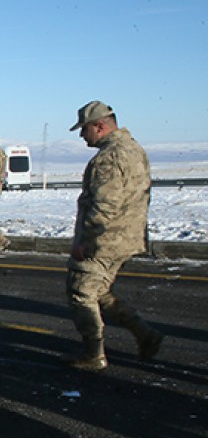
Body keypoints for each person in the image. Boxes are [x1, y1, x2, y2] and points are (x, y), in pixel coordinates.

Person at [65, 100, 163, 370]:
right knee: (100, 291)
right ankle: (145, 334)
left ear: (99, 126)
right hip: (126, 236)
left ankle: (93, 353)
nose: (82, 136)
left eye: (84, 130)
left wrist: (85, 241)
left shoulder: (109, 157)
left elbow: (104, 205)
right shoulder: (133, 149)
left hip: (105, 240)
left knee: (81, 292)